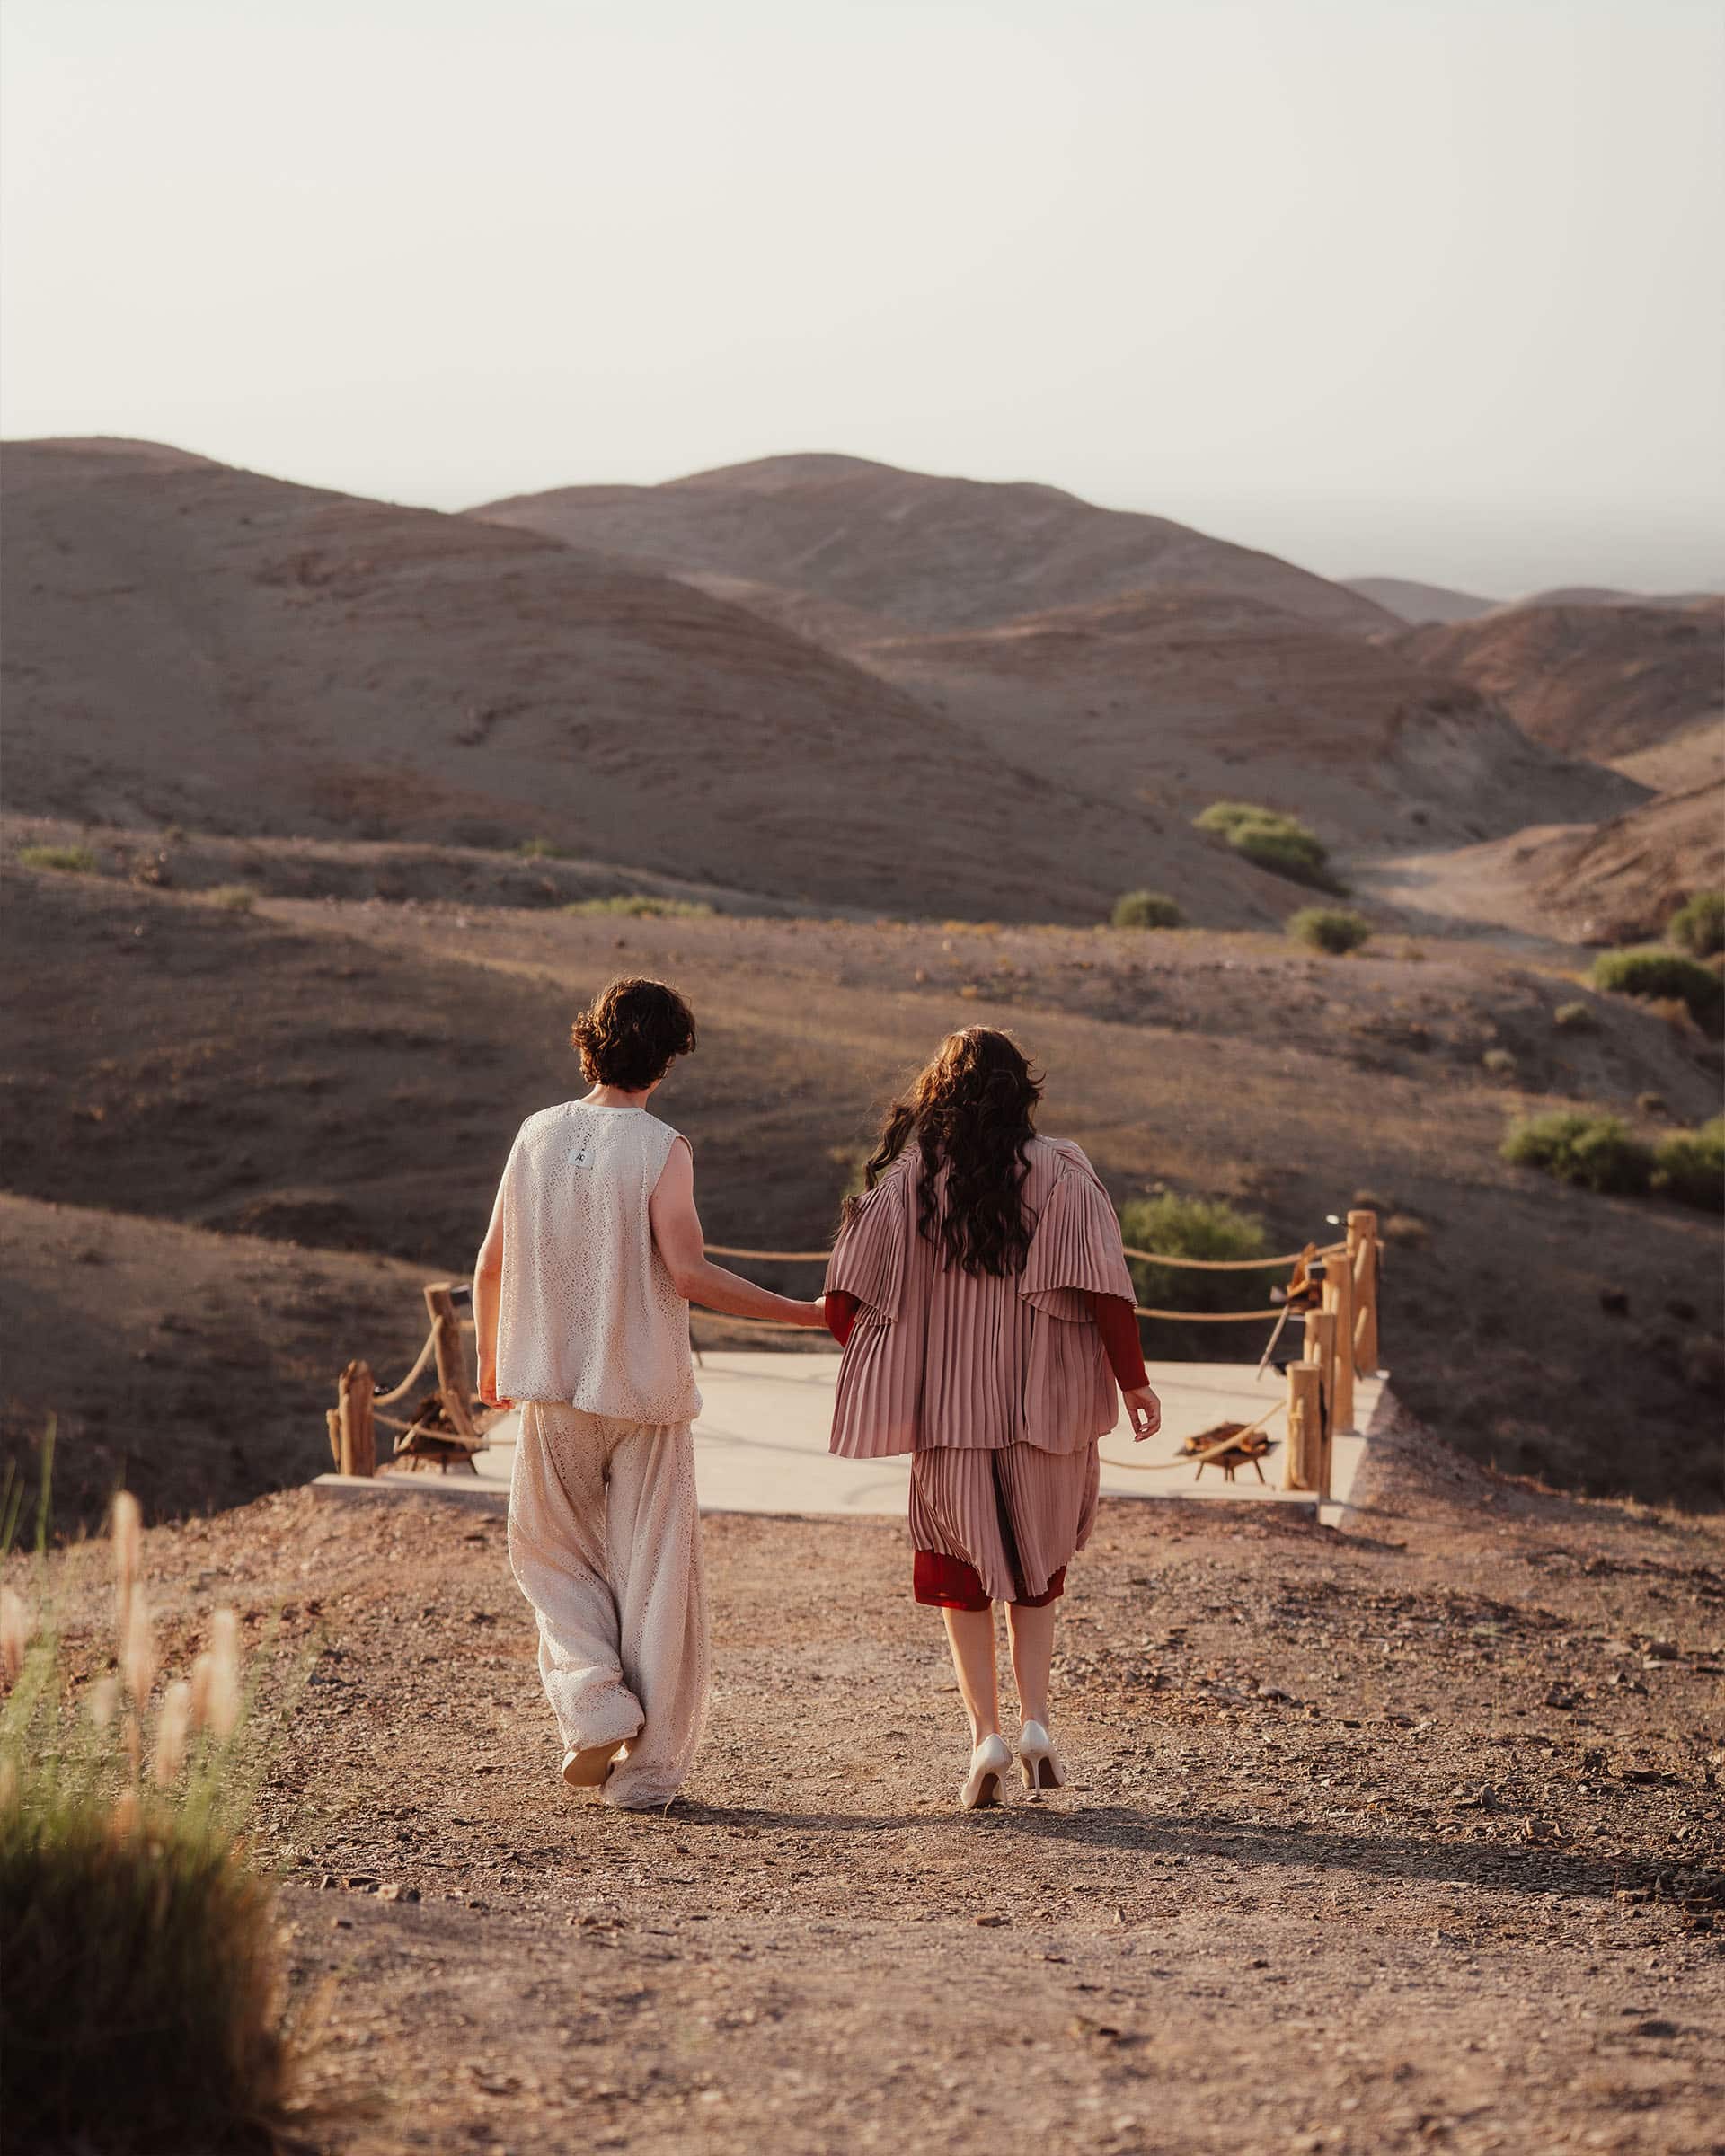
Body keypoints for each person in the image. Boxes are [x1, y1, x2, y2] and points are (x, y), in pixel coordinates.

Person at [473, 976, 827, 1810]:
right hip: (647, 1397)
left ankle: (595, 1704)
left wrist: (490, 1363)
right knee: (657, 1578)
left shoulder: (535, 1134)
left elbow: (490, 1264)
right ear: (667, 1060)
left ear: (589, 1044)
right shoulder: (663, 1148)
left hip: (554, 1393)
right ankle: (645, 1774)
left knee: (549, 1557)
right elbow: (690, 1273)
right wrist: (808, 1315)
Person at [822, 1027, 1160, 1809]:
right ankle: (1037, 1722)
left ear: (939, 1093)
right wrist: (1134, 1383)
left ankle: (987, 1737)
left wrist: (901, 1355)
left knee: (960, 1578)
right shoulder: (1065, 1171)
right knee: (1037, 1572)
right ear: (1023, 1091)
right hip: (1046, 1410)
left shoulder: (909, 1181)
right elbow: (1107, 1289)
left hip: (948, 1418)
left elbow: (845, 1303)